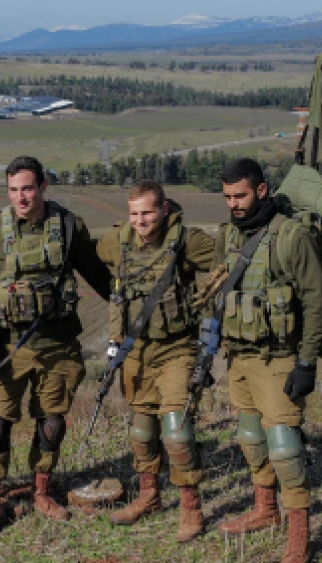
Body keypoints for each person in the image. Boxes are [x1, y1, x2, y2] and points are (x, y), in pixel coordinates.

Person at [0, 156, 112, 538]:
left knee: (52, 424)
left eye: (28, 188)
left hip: (59, 343)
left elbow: (98, 275)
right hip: (9, 344)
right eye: (14, 190)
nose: (21, 197)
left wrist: (130, 312)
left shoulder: (68, 225)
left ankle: (42, 491)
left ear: (44, 186)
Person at [210, 158, 322, 563]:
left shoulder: (291, 236)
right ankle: (265, 510)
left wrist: (306, 361)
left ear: (261, 190)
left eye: (241, 195)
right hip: (240, 356)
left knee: (285, 447)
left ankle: (300, 537)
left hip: (280, 356)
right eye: (228, 197)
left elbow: (316, 302)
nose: (234, 204)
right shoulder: (227, 235)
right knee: (251, 438)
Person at [94, 180, 216, 541]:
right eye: (134, 213)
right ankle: (149, 496)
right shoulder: (118, 241)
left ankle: (191, 507)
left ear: (164, 209)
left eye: (147, 212)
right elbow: (92, 257)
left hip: (178, 348)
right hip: (138, 350)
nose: (140, 220)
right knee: (141, 430)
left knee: (177, 430)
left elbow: (230, 259)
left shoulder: (187, 241)